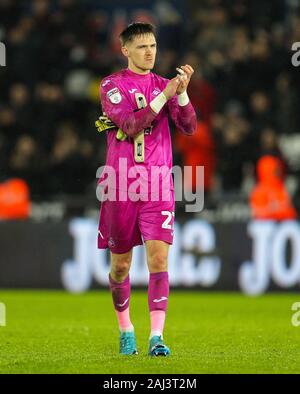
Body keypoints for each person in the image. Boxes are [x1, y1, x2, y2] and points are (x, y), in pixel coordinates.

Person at [96, 22, 197, 356]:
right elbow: (129, 124)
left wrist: (180, 92)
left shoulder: (163, 84)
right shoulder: (111, 85)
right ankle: (126, 329)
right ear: (125, 50)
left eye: (153, 45)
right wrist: (164, 96)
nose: (149, 52)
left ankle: (157, 337)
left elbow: (188, 127)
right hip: (121, 185)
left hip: (157, 184)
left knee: (158, 257)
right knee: (121, 265)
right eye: (141, 46)